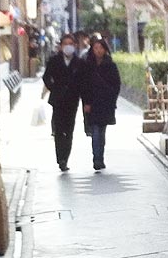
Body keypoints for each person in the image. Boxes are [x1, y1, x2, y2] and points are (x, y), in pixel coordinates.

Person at [42, 34, 85, 171]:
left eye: (70, 43)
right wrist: (53, 87)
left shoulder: (79, 62)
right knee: (59, 129)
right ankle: (60, 157)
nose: (68, 46)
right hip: (58, 99)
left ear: (75, 45)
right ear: (61, 46)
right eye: (65, 43)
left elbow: (84, 81)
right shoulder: (54, 60)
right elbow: (46, 76)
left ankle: (65, 157)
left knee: (69, 129)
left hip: (72, 100)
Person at [81, 39, 121, 171]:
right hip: (92, 103)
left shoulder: (111, 65)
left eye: (100, 48)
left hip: (105, 103)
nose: (98, 50)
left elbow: (116, 84)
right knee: (95, 131)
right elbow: (84, 85)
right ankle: (96, 159)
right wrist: (86, 102)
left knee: (101, 131)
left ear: (105, 49)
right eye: (95, 48)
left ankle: (100, 157)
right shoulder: (87, 65)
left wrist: (112, 99)